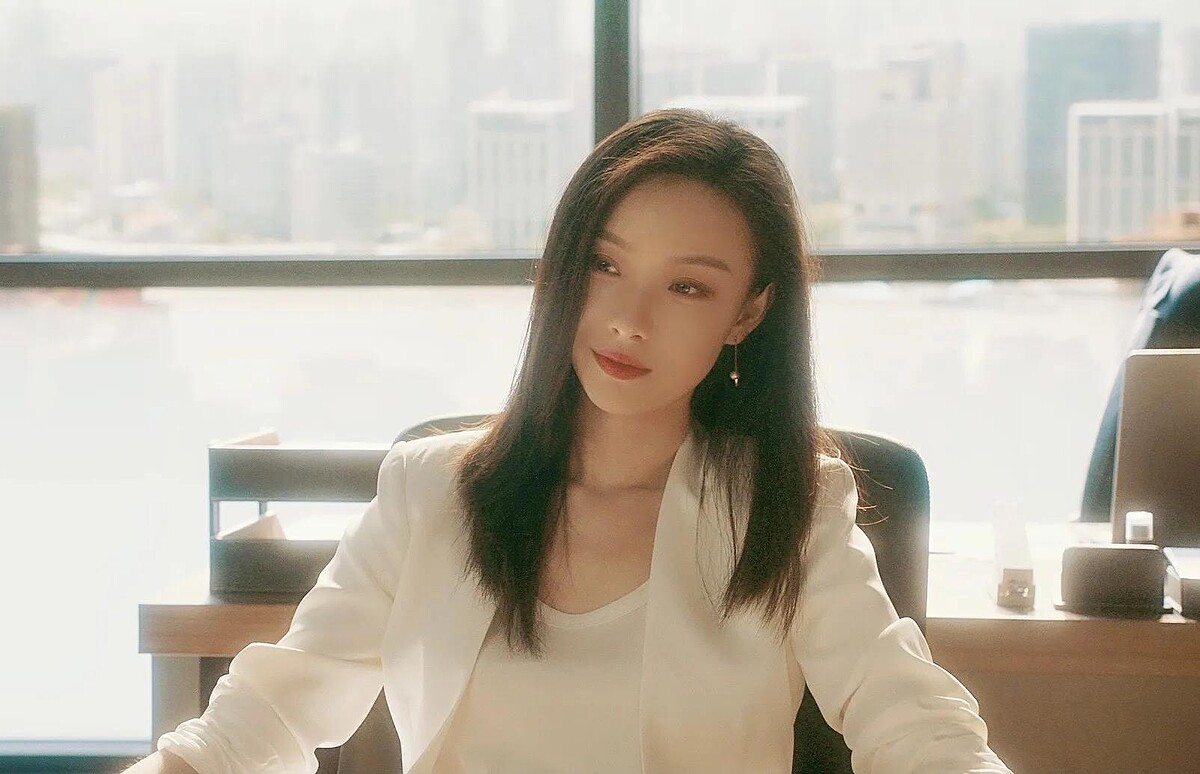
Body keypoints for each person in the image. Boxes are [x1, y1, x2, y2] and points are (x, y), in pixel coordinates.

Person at [128, 109, 1011, 773]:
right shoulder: (429, 491)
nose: (629, 320)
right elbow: (264, 720)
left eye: (688, 288)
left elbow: (915, 724)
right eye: (606, 264)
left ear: (748, 314)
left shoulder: (791, 509)